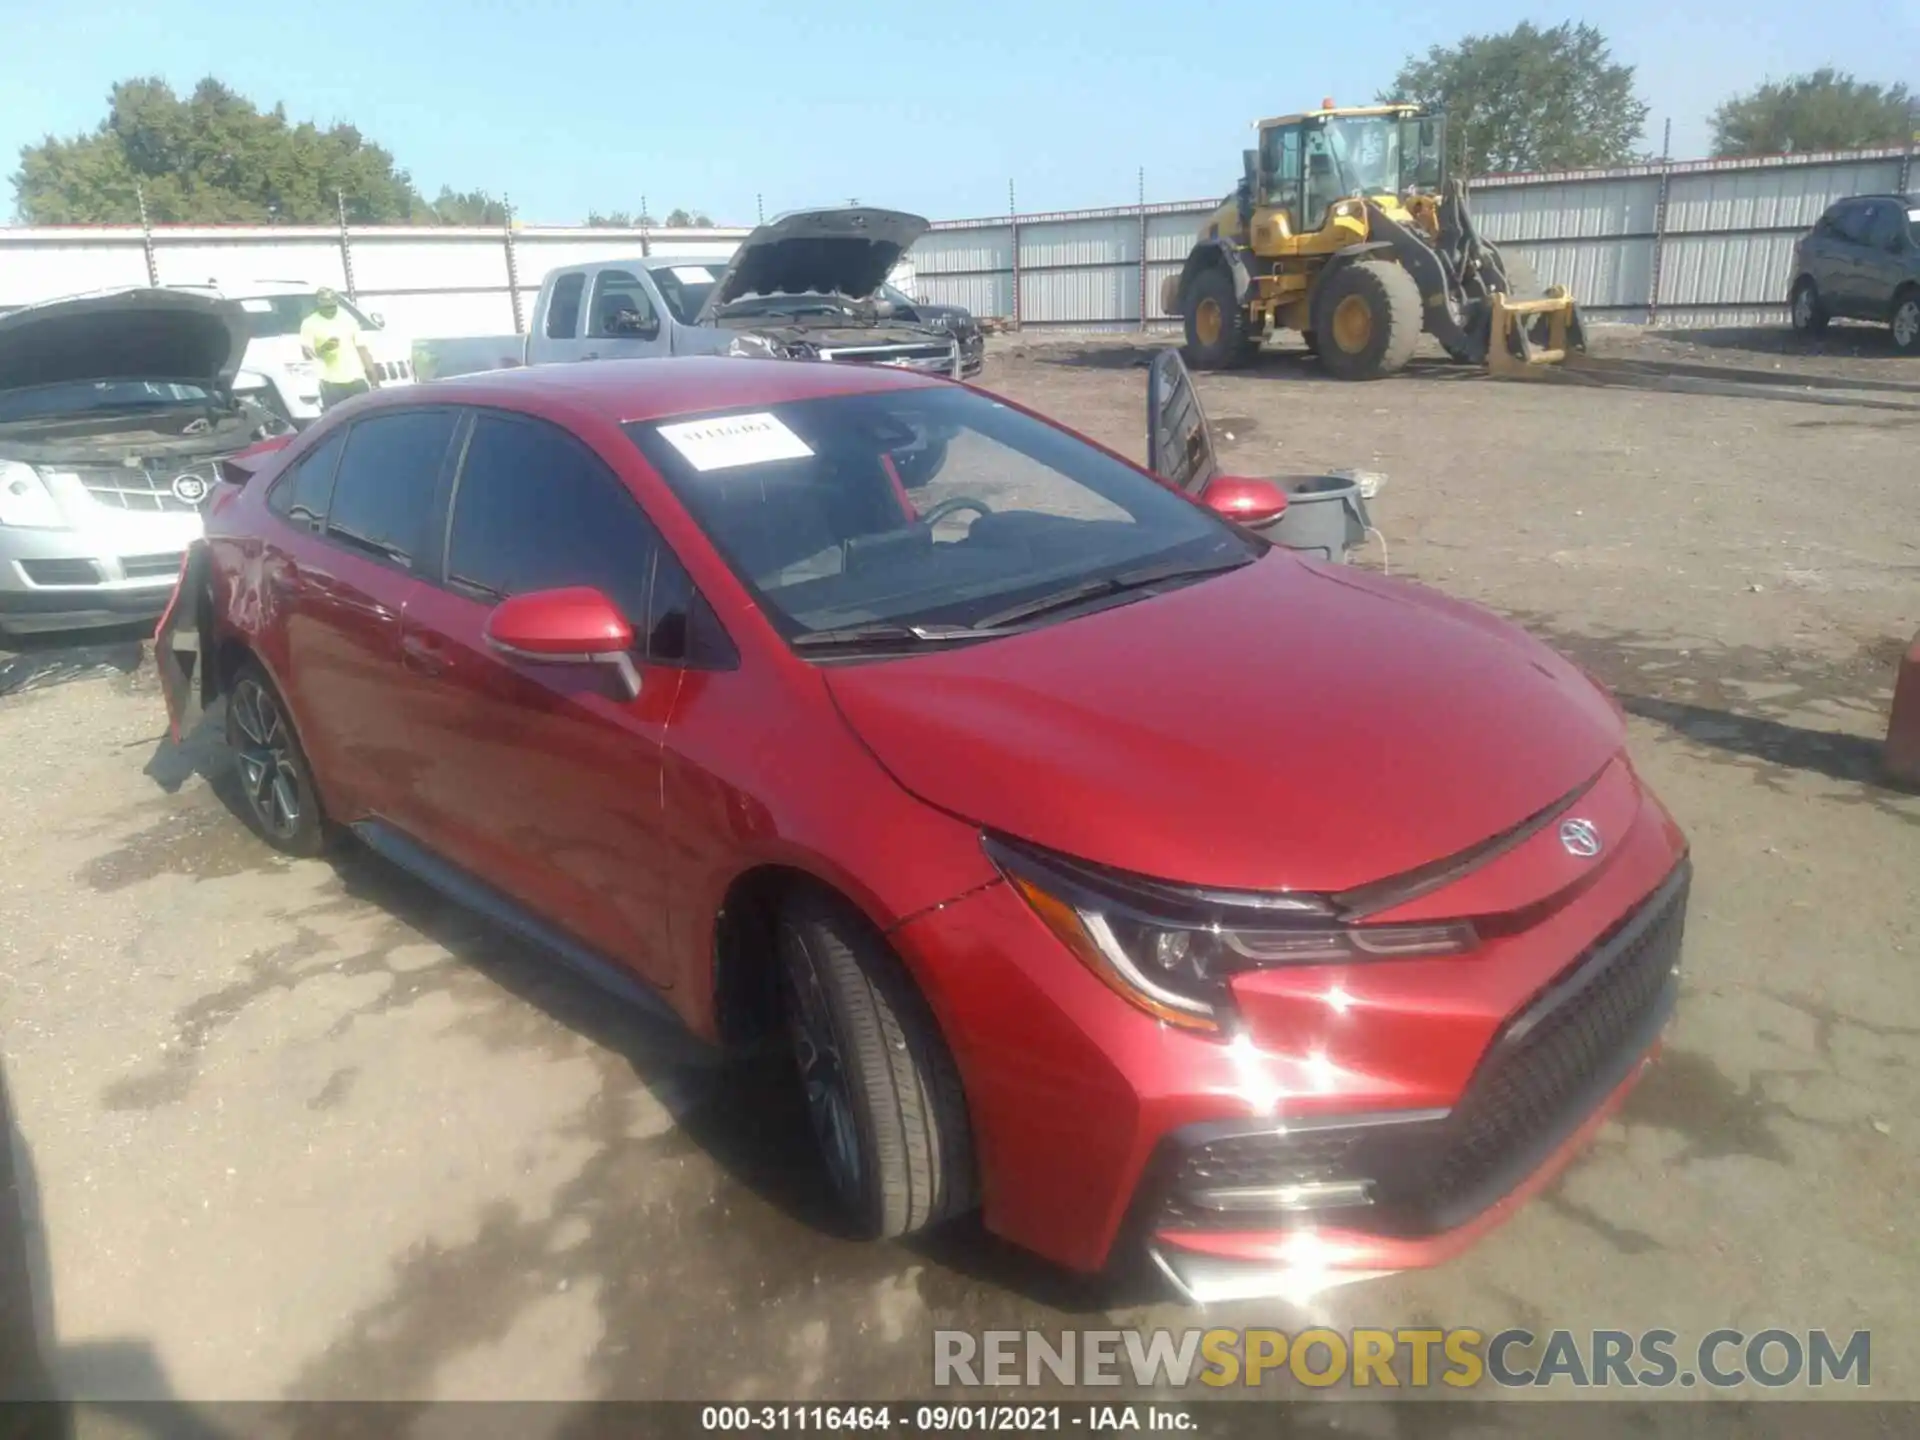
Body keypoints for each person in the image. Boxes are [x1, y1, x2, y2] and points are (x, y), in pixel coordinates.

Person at [299, 288, 377, 410]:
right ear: (319, 304)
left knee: (364, 414)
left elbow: (361, 347)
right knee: (337, 419)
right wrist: (324, 348)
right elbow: (307, 353)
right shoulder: (309, 323)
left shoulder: (348, 318)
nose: (330, 310)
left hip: (356, 379)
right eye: (326, 307)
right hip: (330, 382)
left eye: (333, 306)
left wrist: (373, 375)